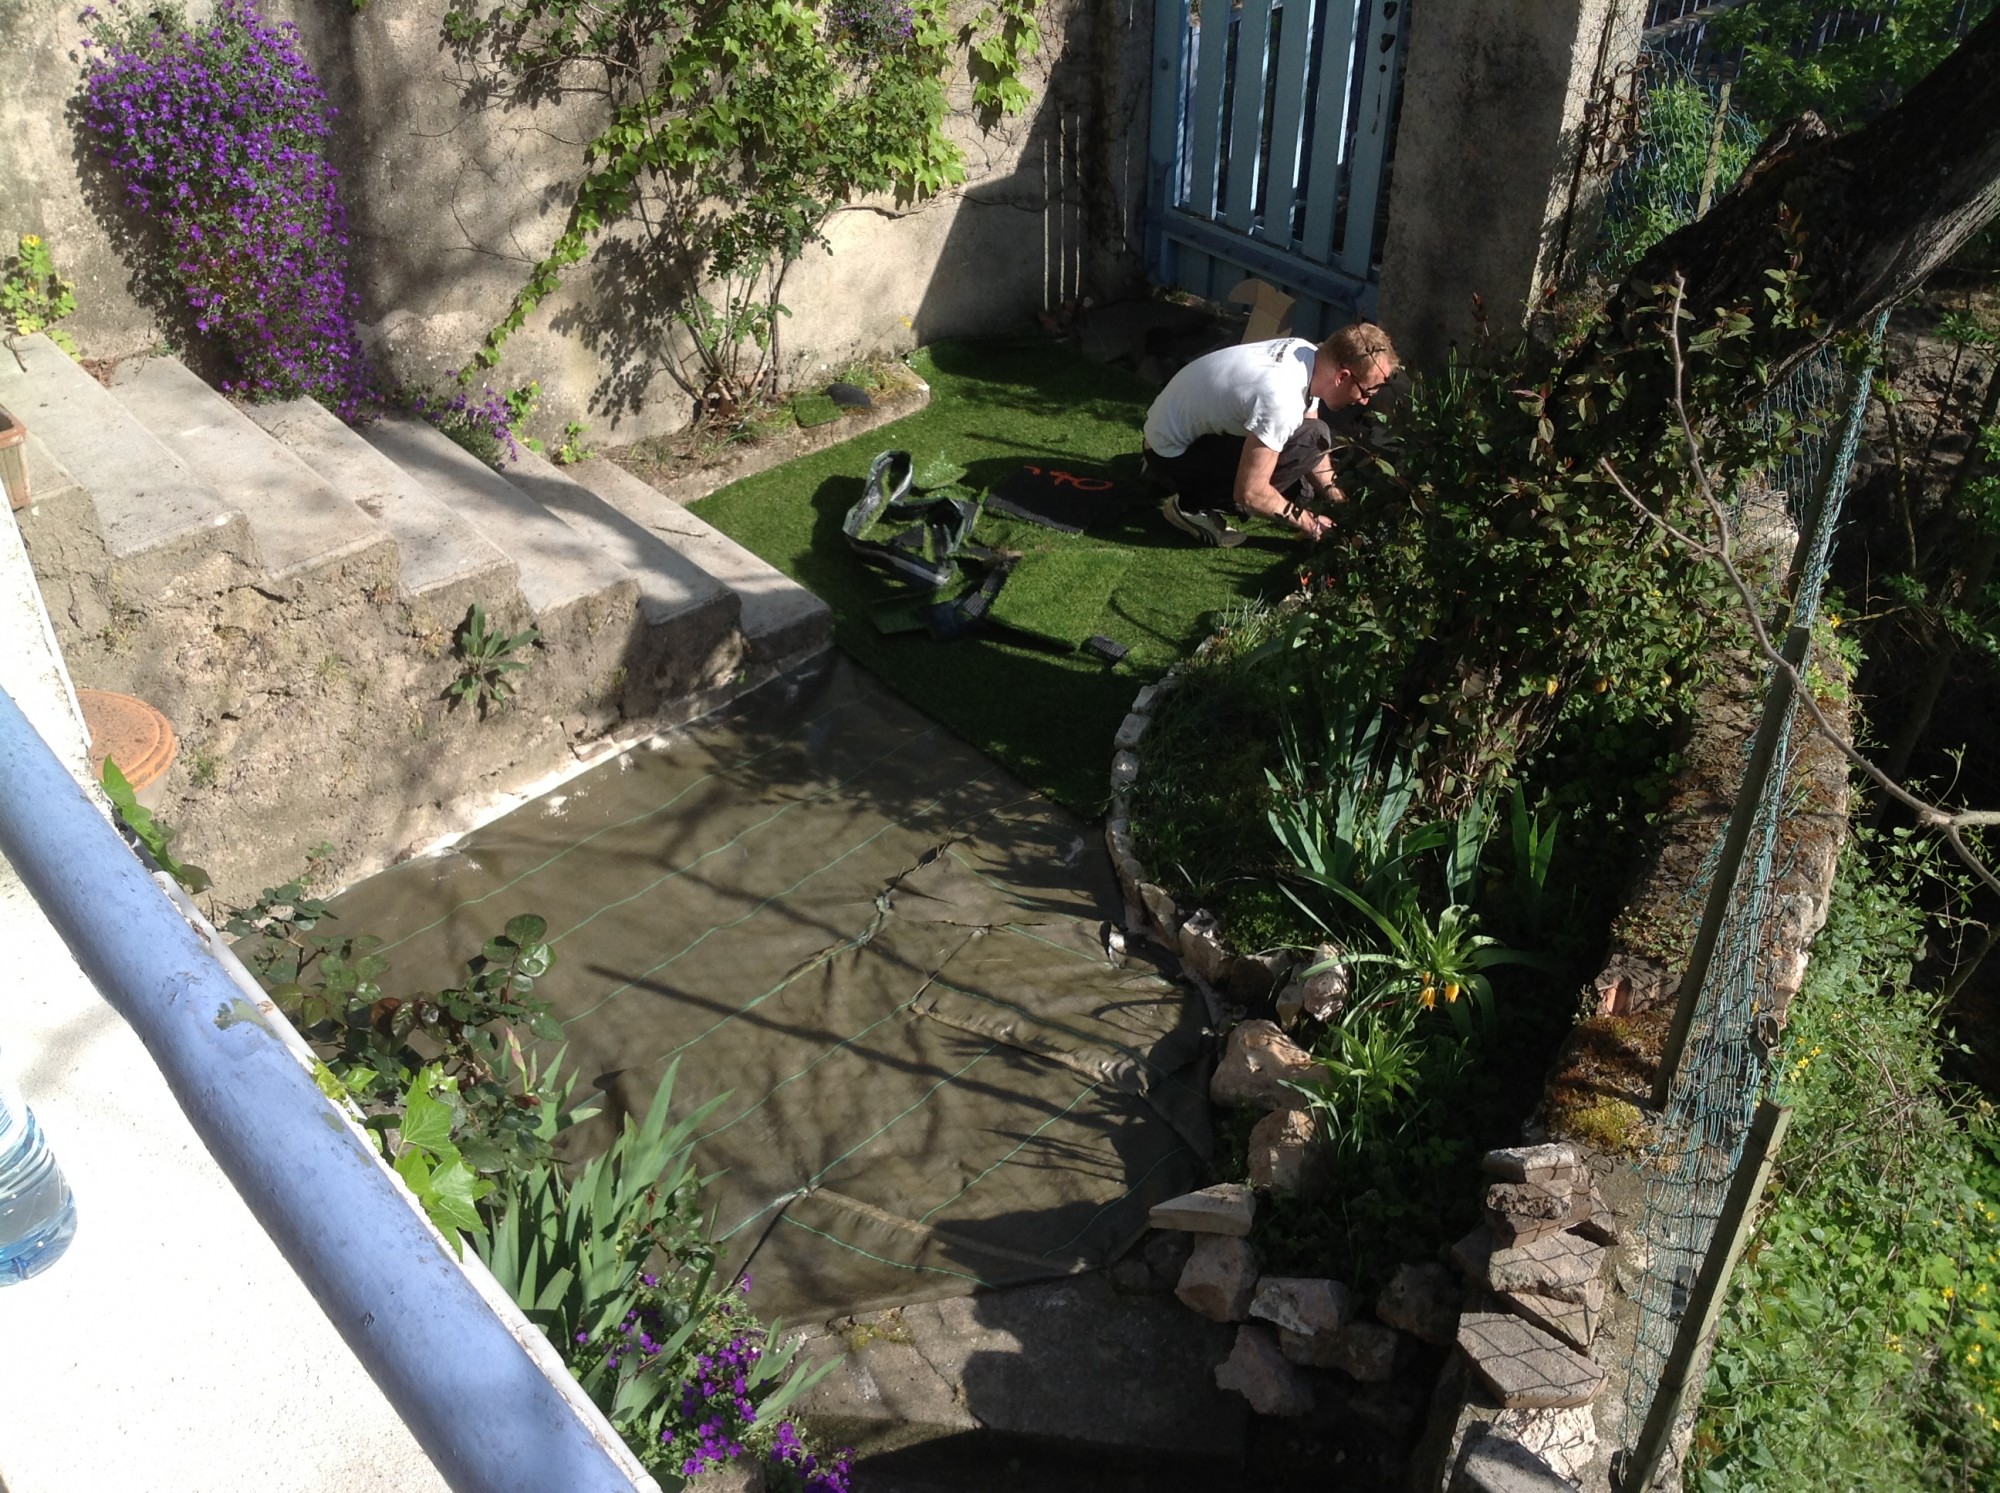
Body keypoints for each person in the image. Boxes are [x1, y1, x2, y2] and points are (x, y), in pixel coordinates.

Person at [1141, 321, 1401, 546]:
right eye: (1366, 393)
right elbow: (1250, 493)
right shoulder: (1281, 398)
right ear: (1342, 377)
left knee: (1308, 459)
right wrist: (1311, 525)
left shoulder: (1309, 356)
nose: (1365, 402)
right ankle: (1190, 506)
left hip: (1167, 433)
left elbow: (1312, 435)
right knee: (1267, 488)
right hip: (1170, 456)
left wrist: (1337, 499)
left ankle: (1172, 472)